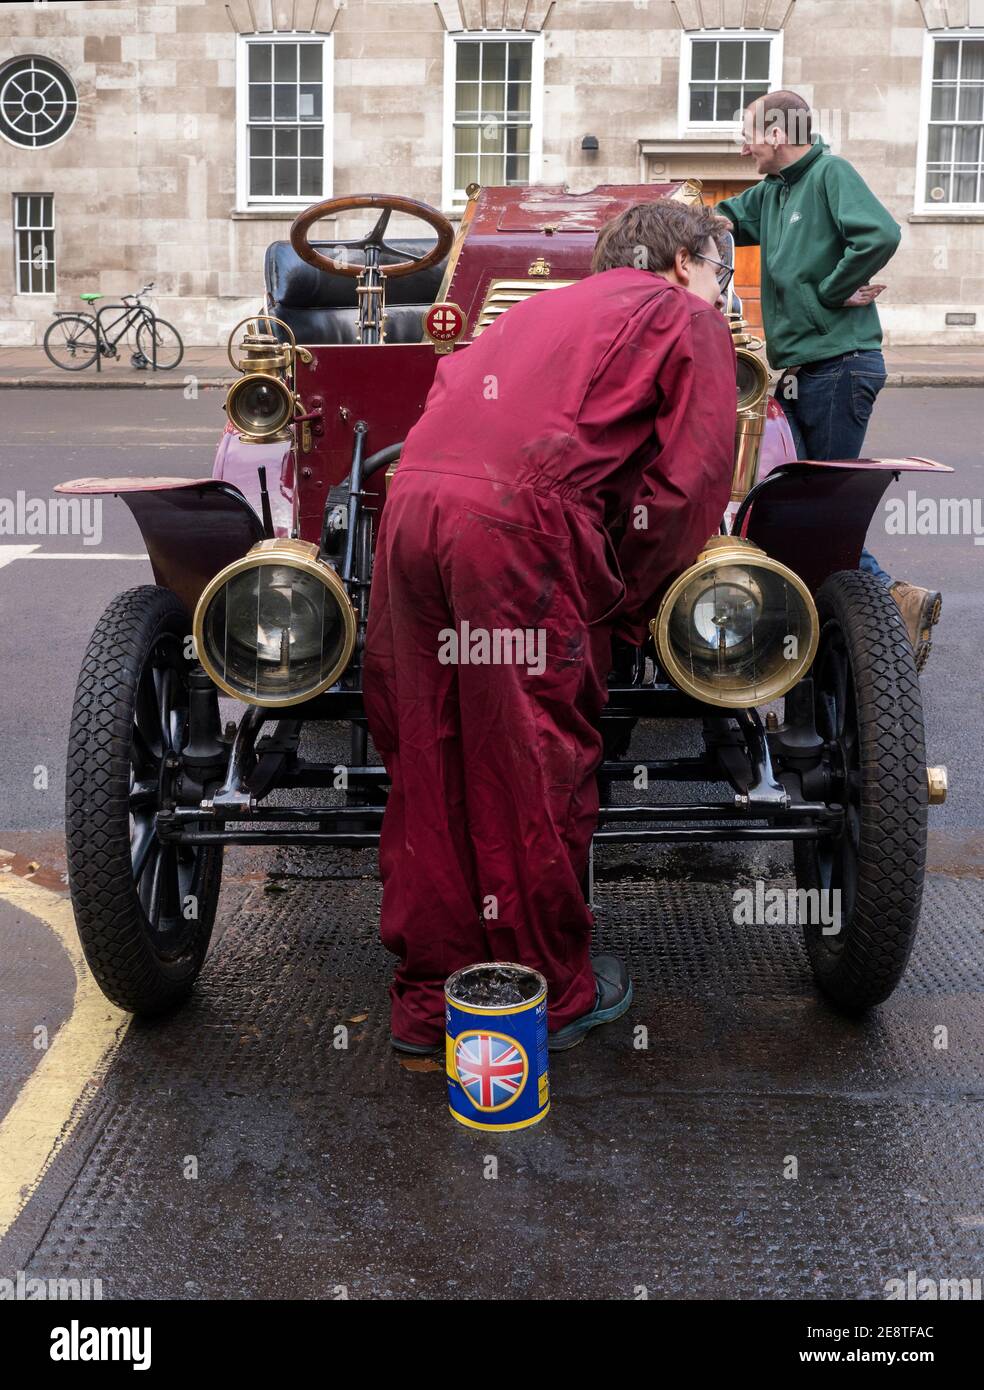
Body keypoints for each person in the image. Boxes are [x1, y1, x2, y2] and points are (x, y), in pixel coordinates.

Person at [363, 201, 737, 1055]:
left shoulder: (531, 313)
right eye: (720, 272)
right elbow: (688, 490)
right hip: (515, 526)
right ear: (685, 261)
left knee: (429, 751)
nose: (721, 292)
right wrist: (630, 606)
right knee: (528, 759)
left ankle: (431, 1002)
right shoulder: (683, 316)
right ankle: (548, 992)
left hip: (411, 509)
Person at [716, 89, 942, 671]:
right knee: (798, 500)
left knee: (823, 509)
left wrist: (836, 288)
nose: (743, 148)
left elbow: (881, 235)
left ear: (775, 134)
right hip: (806, 369)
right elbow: (716, 224)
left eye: (748, 135)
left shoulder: (830, 173)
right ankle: (838, 620)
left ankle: (891, 606)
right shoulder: (770, 194)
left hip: (841, 365)